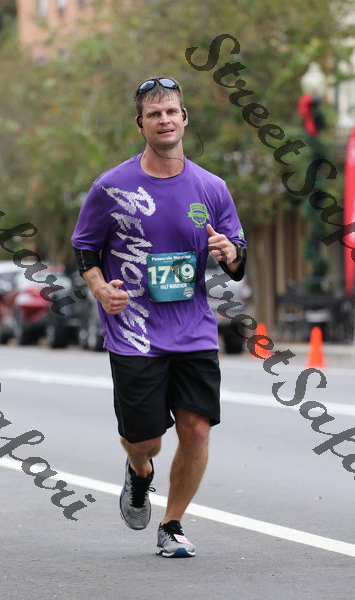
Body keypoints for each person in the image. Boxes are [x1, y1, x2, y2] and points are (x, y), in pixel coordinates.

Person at [71, 77, 247, 558]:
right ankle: (140, 471)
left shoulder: (211, 187)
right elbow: (84, 248)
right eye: (154, 114)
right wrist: (100, 288)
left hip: (193, 328)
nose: (164, 120)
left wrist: (230, 252)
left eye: (171, 111)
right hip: (134, 332)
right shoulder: (112, 187)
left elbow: (237, 257)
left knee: (196, 429)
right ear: (141, 124)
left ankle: (172, 524)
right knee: (144, 439)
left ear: (184, 118)